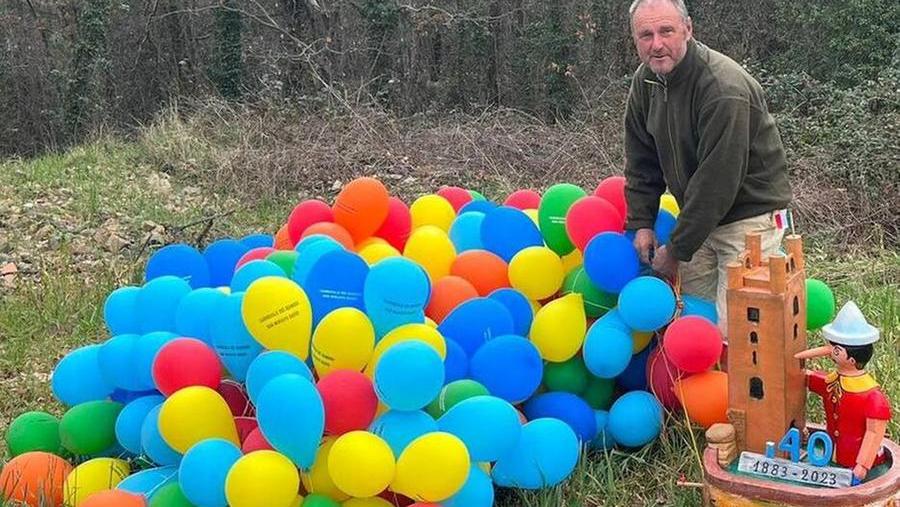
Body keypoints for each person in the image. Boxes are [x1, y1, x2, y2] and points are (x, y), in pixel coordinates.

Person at [622, 0, 792, 333]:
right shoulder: (646, 82)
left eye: (666, 31)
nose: (656, 44)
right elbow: (641, 160)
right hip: (698, 219)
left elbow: (717, 181)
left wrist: (677, 249)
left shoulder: (722, 88)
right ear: (635, 40)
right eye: (646, 35)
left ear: (688, 29)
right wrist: (641, 222)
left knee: (738, 334)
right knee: (692, 324)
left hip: (748, 219)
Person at [794, 301, 891, 481]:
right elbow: (815, 380)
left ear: (852, 359)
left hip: (855, 461)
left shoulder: (872, 397)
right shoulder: (833, 382)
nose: (829, 351)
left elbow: (874, 433)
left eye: (836, 349)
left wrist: (862, 465)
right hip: (831, 454)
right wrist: (798, 373)